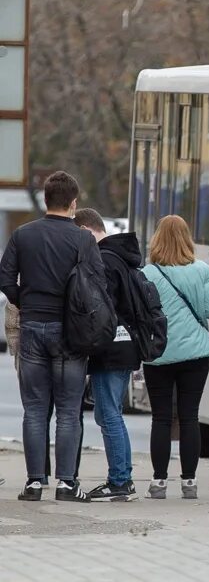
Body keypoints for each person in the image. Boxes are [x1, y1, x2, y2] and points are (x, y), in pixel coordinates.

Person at [0, 171, 104, 502]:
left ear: (46, 200)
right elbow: (96, 284)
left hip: (32, 327)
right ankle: (66, 484)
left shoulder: (22, 235)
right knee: (69, 410)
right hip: (70, 333)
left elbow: (5, 278)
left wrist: (24, 300)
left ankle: (34, 483)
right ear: (74, 203)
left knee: (34, 408)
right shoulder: (83, 239)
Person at [141, 215, 209, 500]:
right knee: (190, 417)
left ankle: (159, 482)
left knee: (161, 418)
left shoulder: (148, 273)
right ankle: (189, 482)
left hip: (158, 354)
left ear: (157, 239)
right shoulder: (201, 270)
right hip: (195, 355)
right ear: (187, 239)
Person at [75, 208, 143, 501]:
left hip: (110, 348)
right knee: (109, 413)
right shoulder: (121, 257)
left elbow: (100, 309)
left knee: (109, 415)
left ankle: (119, 480)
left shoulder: (102, 260)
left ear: (87, 231)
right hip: (126, 345)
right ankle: (122, 477)